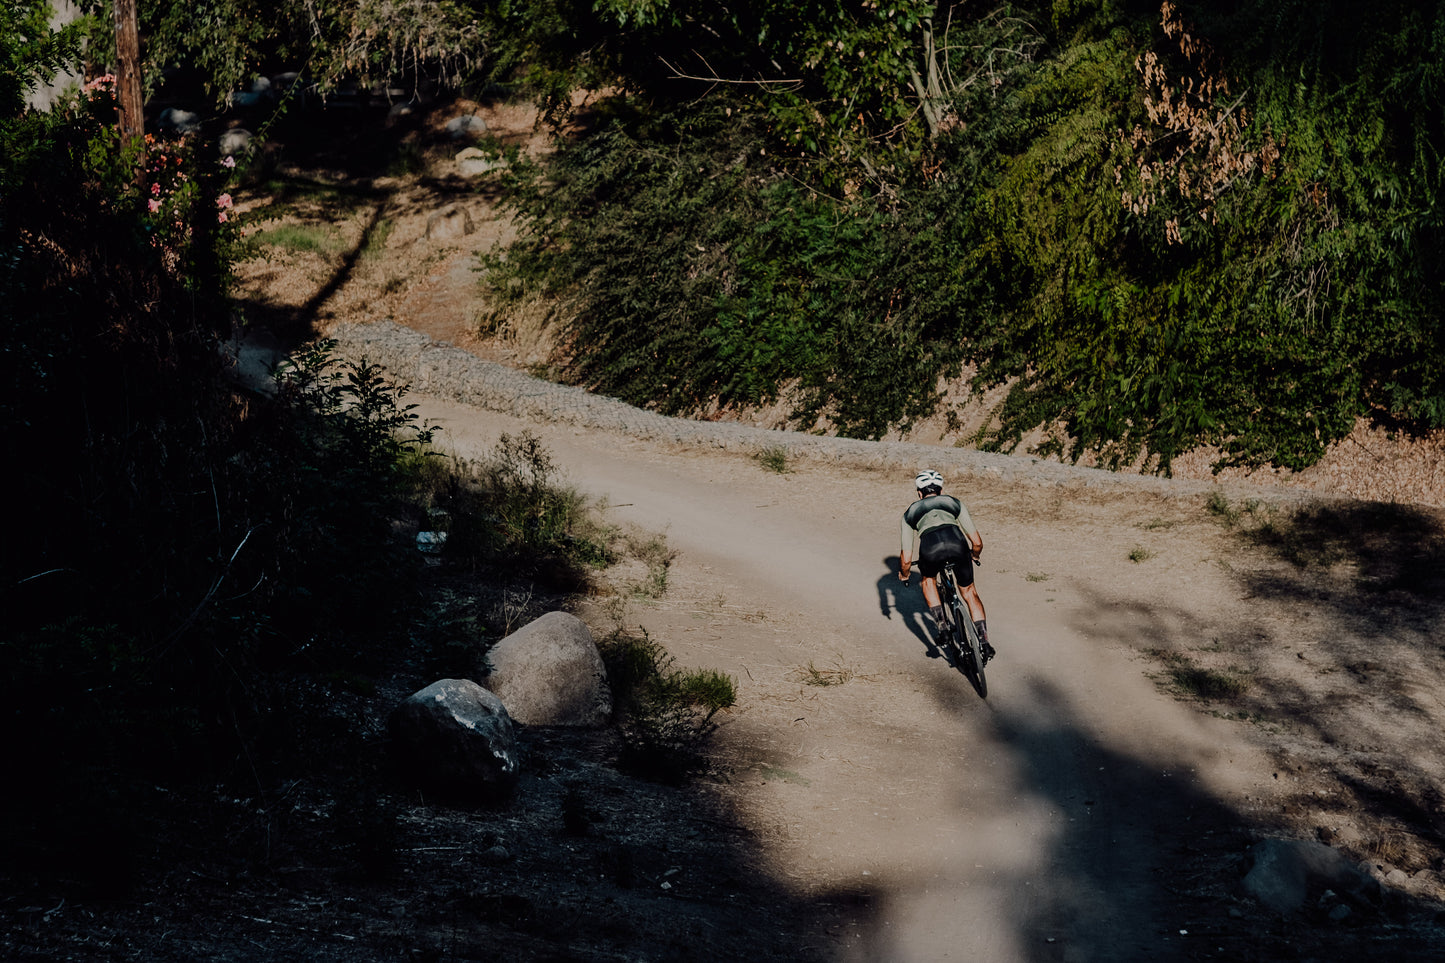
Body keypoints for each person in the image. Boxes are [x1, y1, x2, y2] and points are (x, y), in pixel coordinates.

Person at [899, 469, 995, 663]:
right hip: (957, 543)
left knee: (928, 581)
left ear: (919, 493)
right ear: (941, 490)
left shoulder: (909, 513)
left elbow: (906, 559)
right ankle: (985, 643)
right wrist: (974, 555)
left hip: (930, 549)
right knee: (969, 592)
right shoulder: (954, 502)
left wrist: (905, 574)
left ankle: (943, 629)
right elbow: (977, 542)